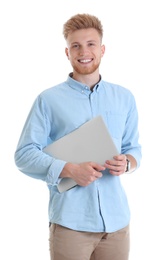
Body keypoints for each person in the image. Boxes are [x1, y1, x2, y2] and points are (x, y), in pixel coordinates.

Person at [14, 13, 142, 260]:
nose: (84, 51)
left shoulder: (125, 98)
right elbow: (24, 154)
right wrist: (69, 169)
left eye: (91, 44)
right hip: (71, 225)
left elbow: (134, 148)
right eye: (76, 46)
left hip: (117, 226)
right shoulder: (48, 100)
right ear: (67, 52)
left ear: (102, 49)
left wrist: (127, 163)